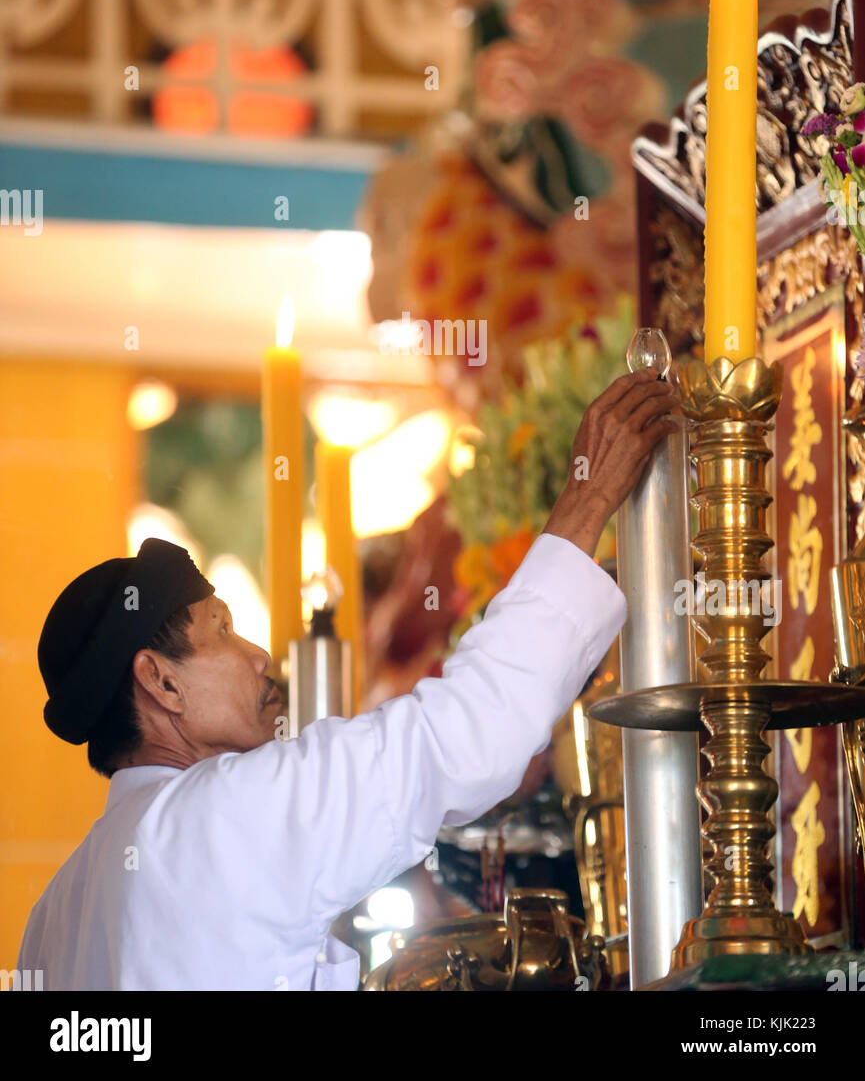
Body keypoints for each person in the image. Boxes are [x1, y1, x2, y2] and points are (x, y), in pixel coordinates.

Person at [18, 369, 678, 990]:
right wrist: (589, 499)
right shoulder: (222, 819)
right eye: (220, 630)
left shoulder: (51, 916)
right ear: (160, 683)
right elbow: (460, 734)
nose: (256, 655)